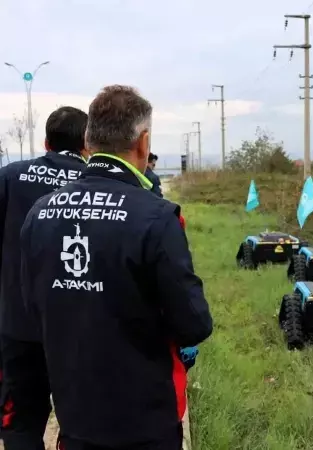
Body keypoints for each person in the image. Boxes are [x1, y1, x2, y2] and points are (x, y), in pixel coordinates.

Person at [18, 85, 213, 449]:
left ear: (89, 142)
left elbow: (34, 307)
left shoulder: (40, 212)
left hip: (75, 415)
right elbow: (194, 323)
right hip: (144, 421)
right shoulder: (156, 216)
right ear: (143, 143)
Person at [0, 106, 89, 450]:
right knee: (82, 426)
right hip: (81, 333)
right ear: (87, 144)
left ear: (46, 142)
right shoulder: (103, 188)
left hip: (17, 328)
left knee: (21, 424)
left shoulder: (10, 178)